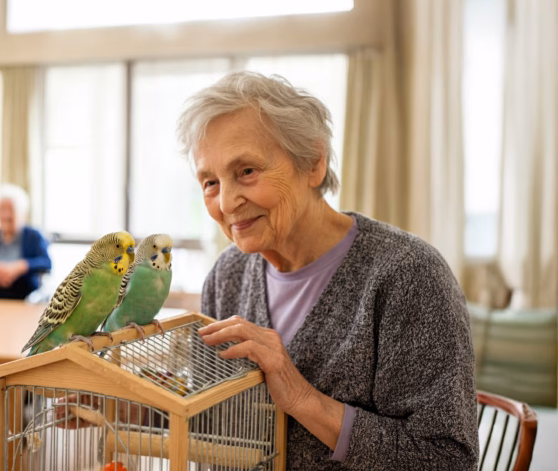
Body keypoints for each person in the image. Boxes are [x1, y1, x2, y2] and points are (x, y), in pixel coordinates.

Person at [175, 72, 479, 469]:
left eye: (247, 171)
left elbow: (447, 460)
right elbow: (207, 423)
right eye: (210, 182)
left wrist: (302, 399)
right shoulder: (227, 274)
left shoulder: (408, 276)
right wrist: (135, 410)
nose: (228, 203)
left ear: (314, 164)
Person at [0, 184, 51, 299]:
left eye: (11, 209)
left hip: (23, 299)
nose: (6, 215)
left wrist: (20, 266)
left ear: (21, 213)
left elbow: (46, 263)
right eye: (2, 209)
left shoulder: (33, 236)